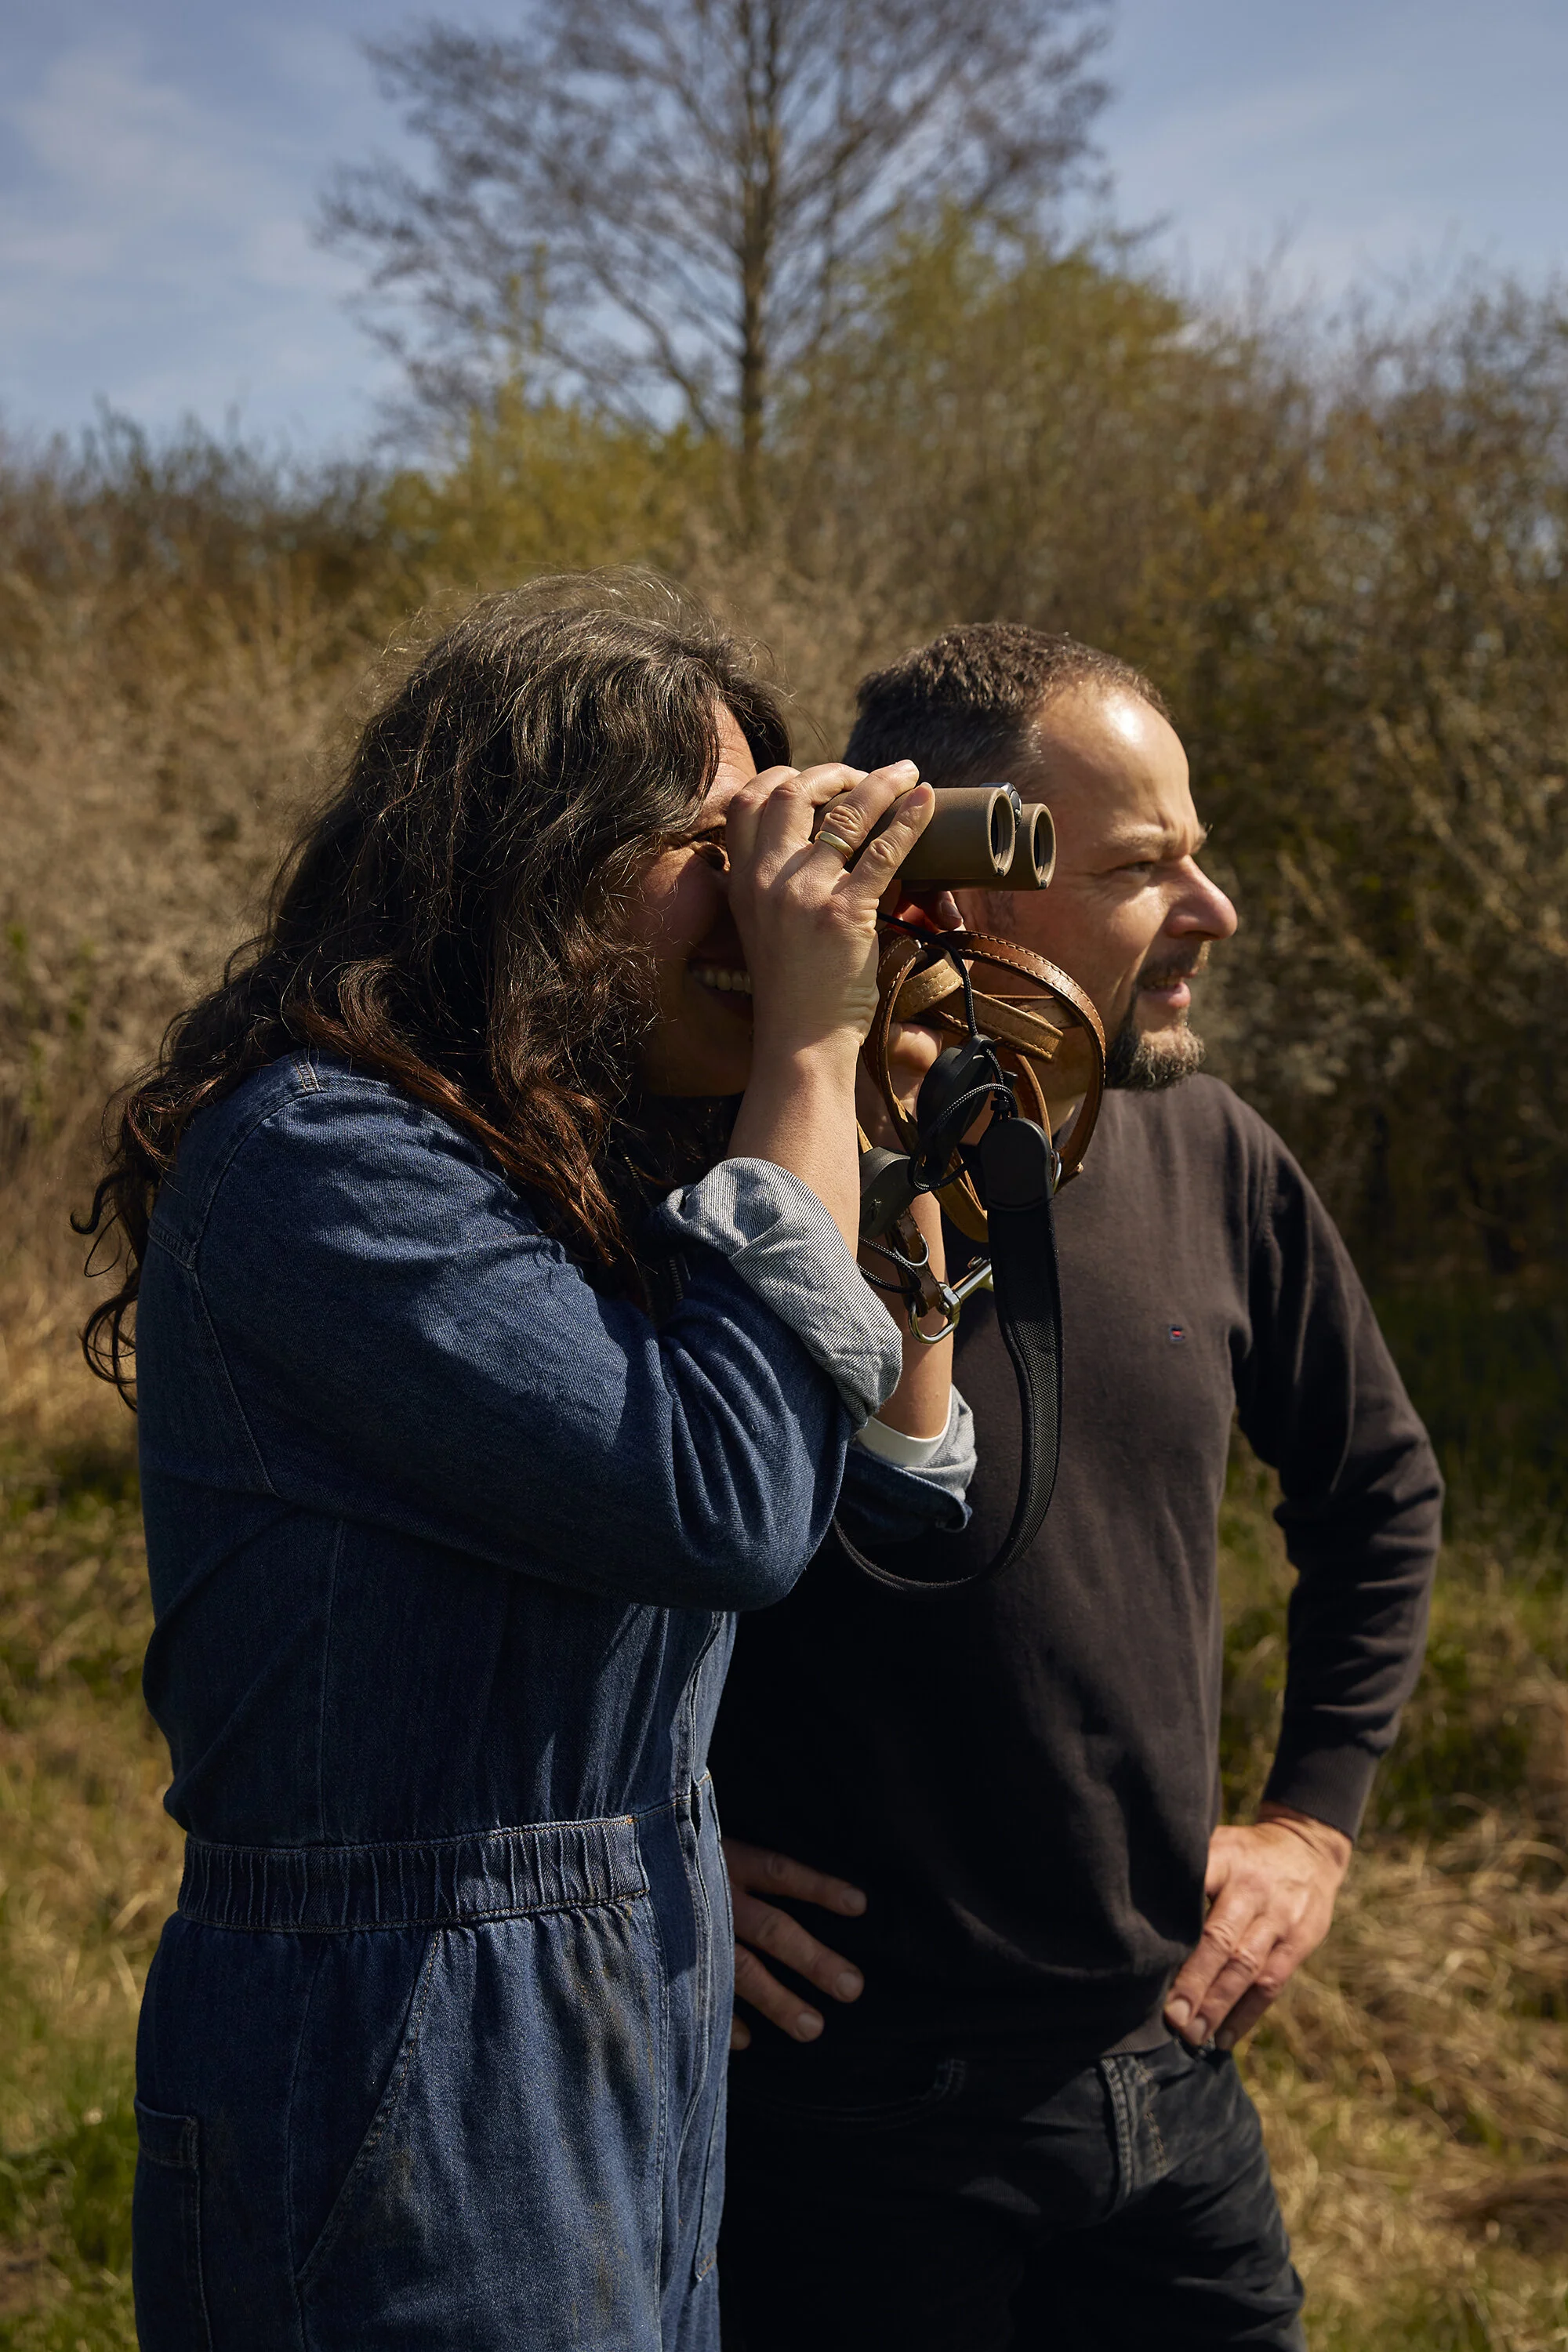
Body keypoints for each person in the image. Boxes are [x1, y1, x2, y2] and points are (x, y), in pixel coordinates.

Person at [78, 580, 977, 2351]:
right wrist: (801, 1040)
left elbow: (887, 1512)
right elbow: (712, 1500)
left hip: (618, 1990)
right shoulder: (322, 1160)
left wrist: (866, 1127)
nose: (763, 893)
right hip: (389, 2047)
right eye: (714, 842)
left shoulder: (602, 1166)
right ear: (534, 864)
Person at [713, 624, 1443, 2351]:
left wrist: (1311, 1823)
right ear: (956, 885)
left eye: (1193, 855)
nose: (1216, 912)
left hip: (1167, 2086)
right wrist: (644, 1853)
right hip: (840, 2130)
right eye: (1144, 869)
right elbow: (546, 1550)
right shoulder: (748, 1160)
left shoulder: (1209, 1147)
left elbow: (1379, 1491)